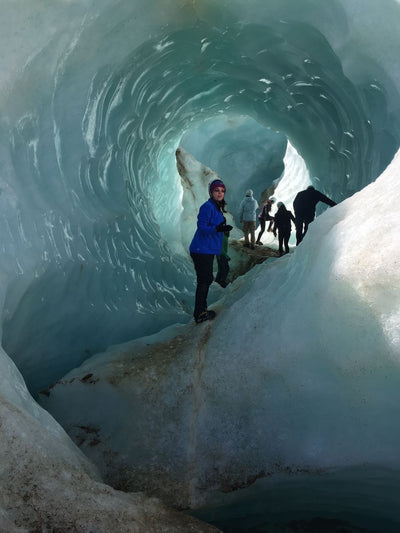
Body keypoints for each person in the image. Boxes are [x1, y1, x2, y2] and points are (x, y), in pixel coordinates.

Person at [189, 179, 232, 323]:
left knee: (206, 279)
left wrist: (223, 230)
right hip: (201, 250)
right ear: (211, 192)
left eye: (222, 191)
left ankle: (202, 310)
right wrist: (218, 229)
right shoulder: (207, 207)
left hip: (206, 249)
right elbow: (202, 227)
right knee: (204, 280)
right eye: (216, 190)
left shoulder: (216, 207)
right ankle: (200, 313)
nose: (220, 193)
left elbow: (213, 226)